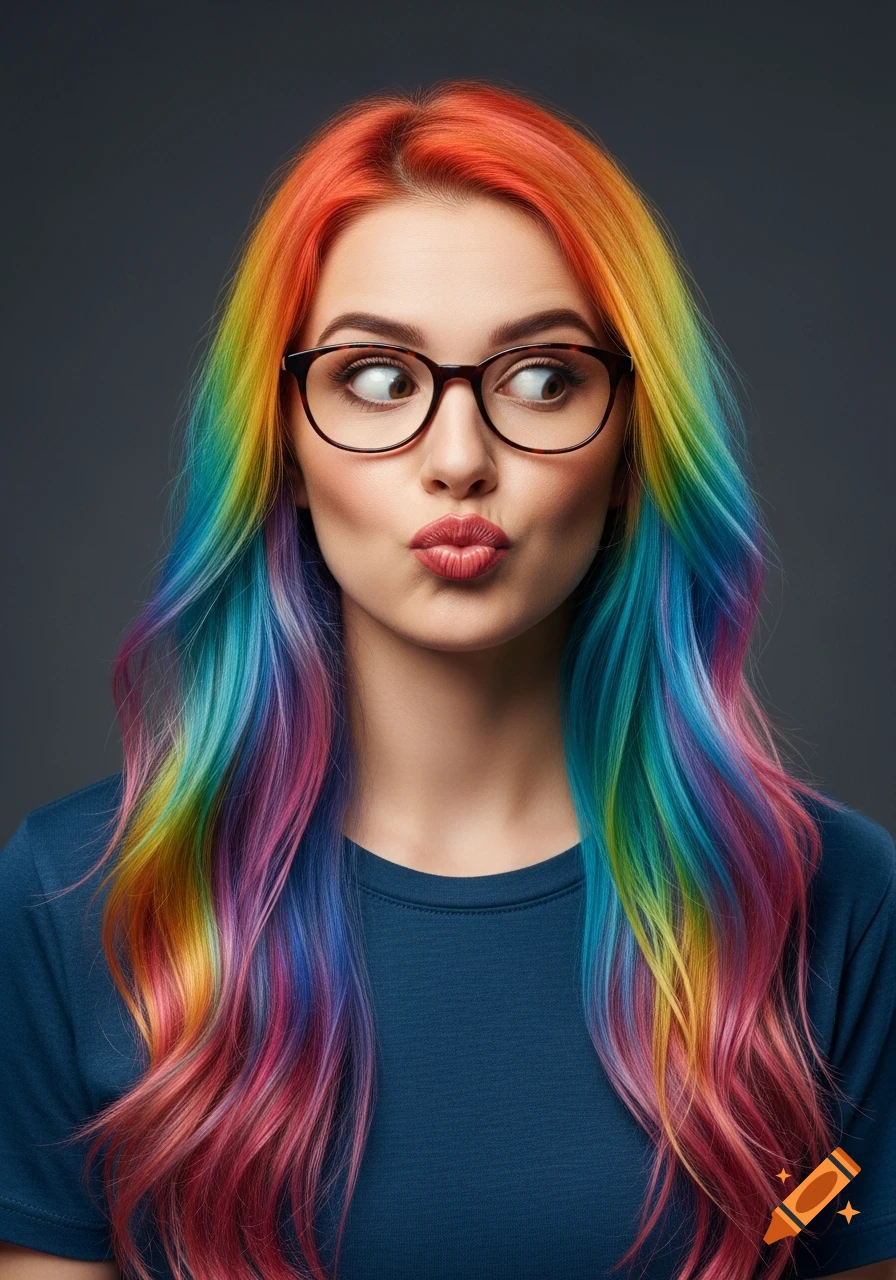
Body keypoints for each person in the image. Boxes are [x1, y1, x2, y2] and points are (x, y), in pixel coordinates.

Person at [0, 80, 893, 1280]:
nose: (459, 458)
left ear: (634, 443)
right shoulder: (78, 901)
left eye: (541, 379)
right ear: (283, 438)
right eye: (376, 377)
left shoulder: (828, 900)